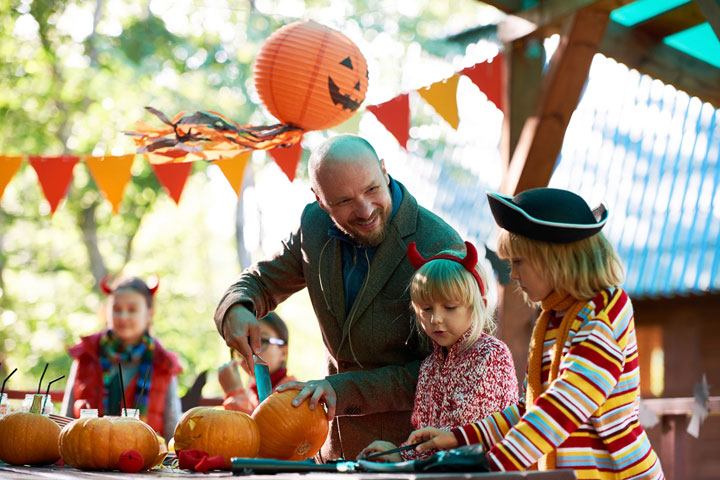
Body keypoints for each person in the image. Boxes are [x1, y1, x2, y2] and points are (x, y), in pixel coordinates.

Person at [214, 134, 464, 460]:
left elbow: (450, 369)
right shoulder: (313, 226)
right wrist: (236, 306)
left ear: (385, 171)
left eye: (372, 189)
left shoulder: (440, 245)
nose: (364, 210)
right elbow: (259, 282)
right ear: (320, 200)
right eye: (344, 201)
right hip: (329, 452)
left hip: (405, 455)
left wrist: (342, 390)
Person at [408, 188, 664, 479]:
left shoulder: (606, 313)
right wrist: (458, 437)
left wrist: (491, 467)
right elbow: (532, 406)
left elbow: (563, 405)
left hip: (617, 472)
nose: (513, 275)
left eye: (518, 262)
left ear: (554, 259)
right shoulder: (554, 319)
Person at [358, 241, 518, 462]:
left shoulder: (491, 356)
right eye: (426, 309)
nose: (436, 318)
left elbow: (464, 438)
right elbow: (426, 436)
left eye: (450, 307)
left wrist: (409, 459)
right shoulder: (429, 367)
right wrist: (395, 453)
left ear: (478, 306)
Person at [61, 275, 182, 441]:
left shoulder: (163, 363)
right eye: (116, 309)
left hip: (143, 461)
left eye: (132, 310)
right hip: (87, 457)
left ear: (149, 313)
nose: (123, 316)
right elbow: (66, 419)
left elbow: (172, 427)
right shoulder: (86, 355)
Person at [219, 312, 296, 413]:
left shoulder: (292, 394)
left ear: (283, 352)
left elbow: (255, 428)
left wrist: (234, 393)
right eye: (240, 343)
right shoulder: (252, 395)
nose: (246, 351)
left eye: (260, 341)